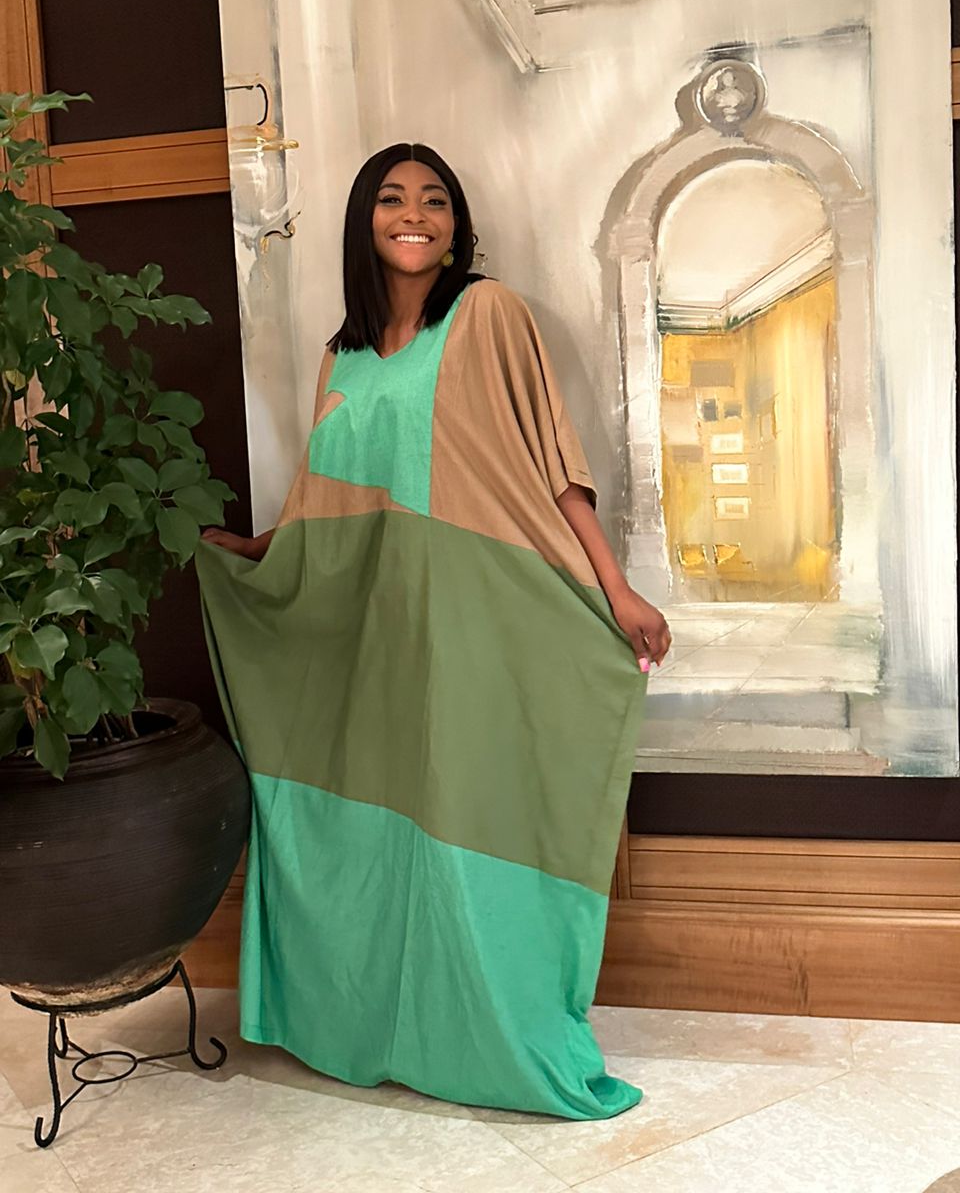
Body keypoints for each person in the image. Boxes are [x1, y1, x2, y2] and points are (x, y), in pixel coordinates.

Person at [198, 142, 671, 1121]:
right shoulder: (345, 352)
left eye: (434, 200)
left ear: (456, 223)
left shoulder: (488, 313)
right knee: (378, 825)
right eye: (391, 198)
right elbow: (326, 489)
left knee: (466, 818)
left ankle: (491, 1031)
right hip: (373, 628)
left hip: (470, 618)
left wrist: (614, 588)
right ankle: (369, 1024)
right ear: (364, 220)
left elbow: (554, 464)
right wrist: (258, 550)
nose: (414, 214)